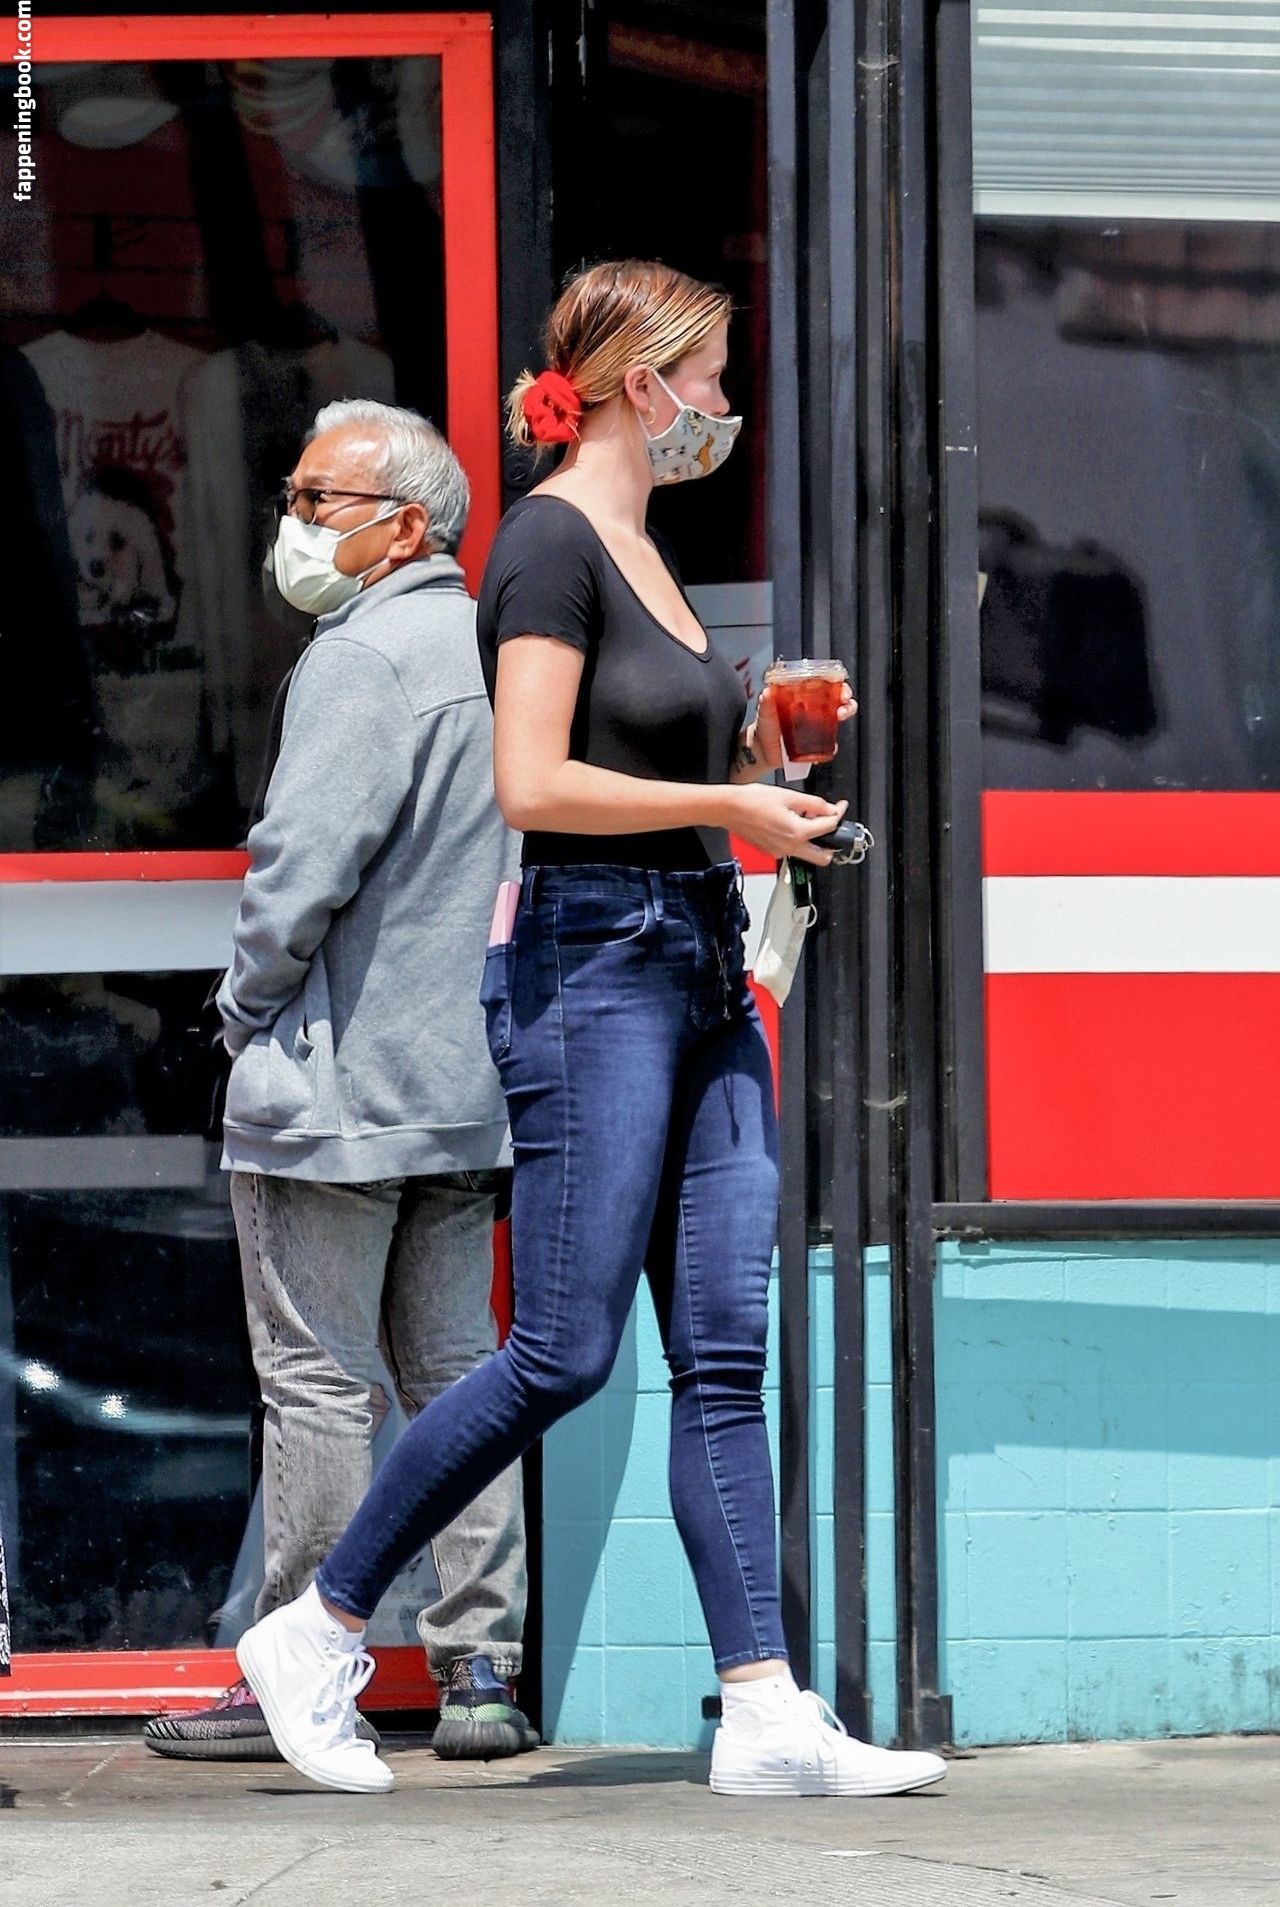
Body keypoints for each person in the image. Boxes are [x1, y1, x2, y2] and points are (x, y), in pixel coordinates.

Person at [232, 263, 948, 1801]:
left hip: (699, 963)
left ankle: (762, 1708)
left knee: (724, 1353)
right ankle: (319, 1625)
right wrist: (728, 803)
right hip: (593, 966)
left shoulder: (646, 547)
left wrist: (766, 750)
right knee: (561, 1348)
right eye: (714, 378)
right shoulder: (547, 545)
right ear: (644, 383)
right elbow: (534, 783)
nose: (725, 409)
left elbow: (670, 769)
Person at [145, 401, 535, 1765]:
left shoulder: (362, 658)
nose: (295, 523)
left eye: (320, 501)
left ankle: (294, 1672)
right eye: (297, 497)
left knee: (316, 1381)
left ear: (407, 526)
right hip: (464, 1082)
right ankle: (480, 1667)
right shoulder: (498, 648)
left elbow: (298, 867)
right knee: (456, 1373)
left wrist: (240, 1010)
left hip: (335, 1090)